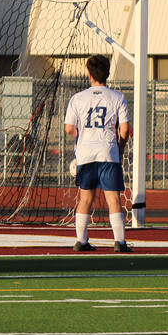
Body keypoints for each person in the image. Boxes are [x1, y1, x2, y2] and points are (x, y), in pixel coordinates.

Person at [64, 54, 132, 252]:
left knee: (85, 199)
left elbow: (69, 129)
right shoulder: (118, 97)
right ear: (108, 73)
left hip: (85, 154)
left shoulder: (77, 98)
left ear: (89, 74)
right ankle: (119, 242)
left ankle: (81, 240)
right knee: (113, 199)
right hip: (108, 153)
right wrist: (121, 145)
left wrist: (82, 137)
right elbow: (125, 130)